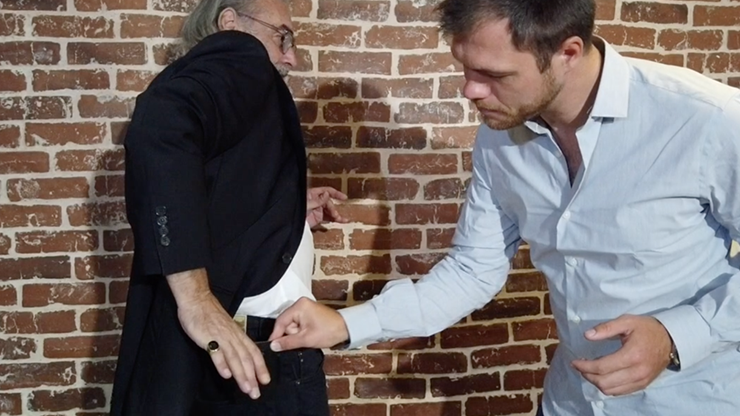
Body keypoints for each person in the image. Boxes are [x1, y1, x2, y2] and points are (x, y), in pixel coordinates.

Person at [269, 0, 740, 415]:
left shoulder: (708, 120)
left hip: (693, 399)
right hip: (570, 401)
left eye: (494, 75)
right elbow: (473, 270)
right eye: (465, 68)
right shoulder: (499, 138)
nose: (470, 91)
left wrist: (675, 335)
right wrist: (346, 323)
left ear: (568, 53)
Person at [110, 0, 347, 415]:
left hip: (252, 355)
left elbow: (214, 192)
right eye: (283, 37)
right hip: (246, 360)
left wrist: (287, 212)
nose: (290, 57)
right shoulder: (238, 53)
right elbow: (160, 124)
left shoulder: (236, 86)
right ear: (230, 22)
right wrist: (197, 301)